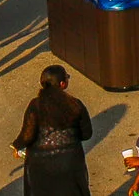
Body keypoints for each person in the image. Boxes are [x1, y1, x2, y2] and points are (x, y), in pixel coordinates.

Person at [12, 63, 95, 196]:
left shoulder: (36, 105)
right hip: (70, 161)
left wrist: (17, 145)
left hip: (40, 164)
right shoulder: (75, 104)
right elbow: (86, 134)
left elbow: (27, 135)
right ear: (62, 84)